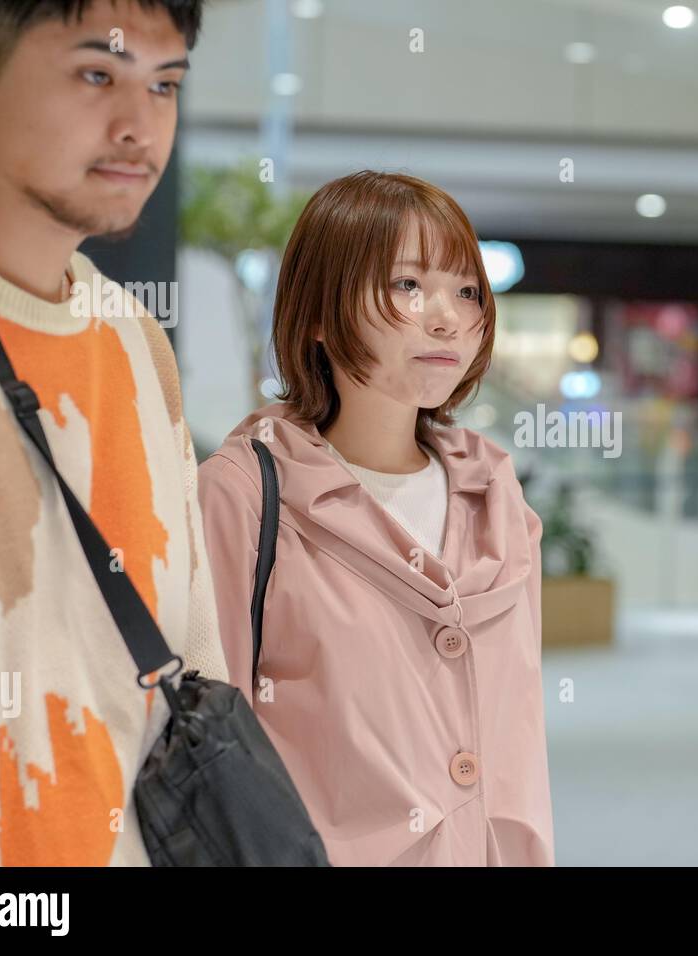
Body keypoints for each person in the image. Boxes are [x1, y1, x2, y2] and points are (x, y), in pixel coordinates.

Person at [0, 0, 226, 866]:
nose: (140, 127)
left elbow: (196, 658)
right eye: (98, 74)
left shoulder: (133, 339)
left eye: (164, 85)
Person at [193, 171, 554, 865]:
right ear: (321, 312)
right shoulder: (243, 493)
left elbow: (521, 745)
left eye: (467, 290)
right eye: (407, 286)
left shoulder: (498, 496)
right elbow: (212, 738)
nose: (446, 316)